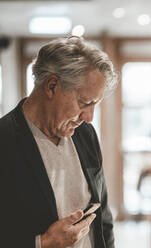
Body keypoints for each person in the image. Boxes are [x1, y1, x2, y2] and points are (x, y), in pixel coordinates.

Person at [0, 36, 117, 248]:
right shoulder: (4, 141)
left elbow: (103, 216)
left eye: (94, 105)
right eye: (84, 103)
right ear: (52, 86)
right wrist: (42, 243)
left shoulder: (86, 134)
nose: (89, 118)